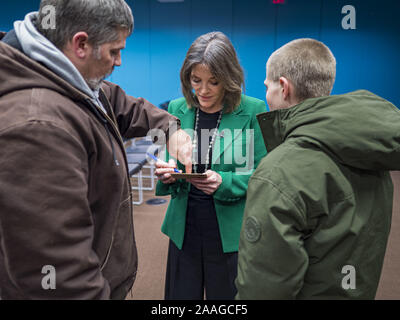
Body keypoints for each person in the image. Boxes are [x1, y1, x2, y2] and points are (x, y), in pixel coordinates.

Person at [0, 0, 192, 300]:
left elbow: (112, 99)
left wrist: (170, 129)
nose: (119, 62)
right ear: (81, 44)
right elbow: (58, 274)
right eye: (115, 51)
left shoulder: (60, 72)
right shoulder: (38, 126)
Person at [235, 38, 400, 299]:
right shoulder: (370, 149)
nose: (266, 94)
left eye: (268, 86)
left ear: (284, 87)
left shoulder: (278, 172)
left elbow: (265, 286)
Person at [155, 31, 267, 300]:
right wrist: (167, 174)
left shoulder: (253, 110)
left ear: (229, 79)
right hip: (185, 228)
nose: (203, 90)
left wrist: (224, 182)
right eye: (196, 80)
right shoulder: (177, 108)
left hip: (229, 232)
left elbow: (265, 176)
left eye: (213, 82)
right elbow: (170, 160)